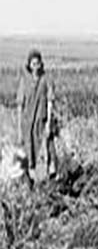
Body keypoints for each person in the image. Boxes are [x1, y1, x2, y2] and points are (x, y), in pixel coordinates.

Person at [16, 49, 57, 187]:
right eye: (33, 64)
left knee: (47, 149)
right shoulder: (24, 81)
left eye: (38, 63)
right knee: (28, 152)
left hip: (42, 121)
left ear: (41, 64)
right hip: (28, 123)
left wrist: (49, 122)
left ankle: (49, 179)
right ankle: (29, 181)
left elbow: (50, 101)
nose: (36, 66)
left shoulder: (46, 79)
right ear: (29, 65)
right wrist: (19, 129)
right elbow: (20, 105)